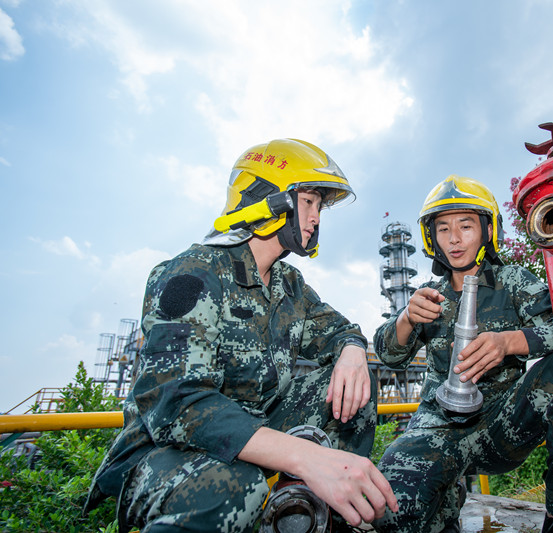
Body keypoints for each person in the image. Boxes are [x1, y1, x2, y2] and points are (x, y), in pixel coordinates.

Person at [85, 139, 397, 532]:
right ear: (270, 200)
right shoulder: (193, 273)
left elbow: (341, 331)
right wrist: (303, 457)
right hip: (168, 451)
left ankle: (314, 514)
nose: (316, 218)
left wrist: (352, 351)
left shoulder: (290, 284)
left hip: (253, 434)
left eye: (319, 206)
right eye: (309, 202)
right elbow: (177, 402)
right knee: (236, 486)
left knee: (359, 380)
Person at [371, 175, 553, 533]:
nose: (453, 239)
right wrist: (407, 317)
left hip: (504, 425)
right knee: (390, 507)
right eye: (443, 229)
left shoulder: (513, 281)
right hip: (439, 427)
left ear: (486, 230)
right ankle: (442, 502)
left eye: (465, 226)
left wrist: (509, 342)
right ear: (431, 238)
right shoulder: (429, 296)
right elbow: (387, 354)